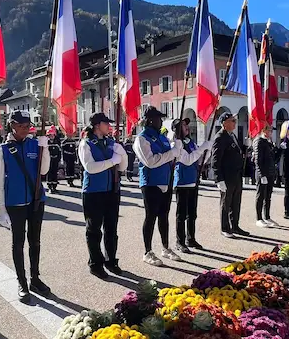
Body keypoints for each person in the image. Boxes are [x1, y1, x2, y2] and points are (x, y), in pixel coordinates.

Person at [0, 110, 51, 303]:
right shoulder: (2, 149)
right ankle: (22, 282)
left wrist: (46, 150)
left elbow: (43, 171)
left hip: (36, 200)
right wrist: (0, 210)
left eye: (28, 126)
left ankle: (35, 278)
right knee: (18, 243)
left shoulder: (35, 144)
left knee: (35, 241)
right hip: (15, 202)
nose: (26, 129)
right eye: (22, 126)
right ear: (12, 126)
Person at [78, 113, 128, 278]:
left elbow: (122, 168)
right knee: (94, 230)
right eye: (107, 124)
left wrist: (123, 155)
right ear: (98, 125)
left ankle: (111, 260)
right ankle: (95, 263)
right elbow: (90, 168)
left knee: (111, 229)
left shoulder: (110, 143)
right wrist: (114, 160)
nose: (109, 126)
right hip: (93, 192)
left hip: (112, 190)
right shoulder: (86, 143)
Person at [133, 106, 183, 266]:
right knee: (150, 217)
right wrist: (172, 153)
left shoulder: (161, 137)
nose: (161, 121)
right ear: (149, 120)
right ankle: (147, 251)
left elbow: (172, 154)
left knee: (164, 216)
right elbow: (151, 161)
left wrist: (177, 147)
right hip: (151, 182)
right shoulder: (142, 138)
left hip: (166, 180)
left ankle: (165, 247)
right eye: (158, 118)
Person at [172, 118, 212, 252]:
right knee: (181, 214)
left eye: (186, 125)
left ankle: (191, 238)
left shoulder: (191, 143)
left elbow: (199, 160)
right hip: (182, 182)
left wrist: (207, 152)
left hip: (193, 181)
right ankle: (180, 241)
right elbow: (188, 160)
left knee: (192, 213)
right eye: (183, 125)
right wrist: (202, 149)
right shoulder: (177, 144)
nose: (186, 127)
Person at [211, 112, 250, 238]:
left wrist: (245, 147)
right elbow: (215, 159)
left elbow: (236, 152)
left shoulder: (232, 135)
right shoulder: (220, 137)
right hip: (226, 176)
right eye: (232, 120)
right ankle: (225, 228)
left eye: (234, 120)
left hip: (236, 175)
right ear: (224, 123)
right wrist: (219, 179)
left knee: (236, 202)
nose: (235, 122)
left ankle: (235, 226)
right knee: (226, 203)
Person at [253, 124, 277, 227]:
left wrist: (279, 150)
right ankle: (259, 218)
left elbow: (274, 159)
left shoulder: (269, 142)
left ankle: (267, 216)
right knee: (261, 196)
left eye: (272, 130)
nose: (271, 132)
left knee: (268, 196)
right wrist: (261, 174)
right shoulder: (259, 141)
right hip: (262, 173)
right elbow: (258, 160)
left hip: (270, 172)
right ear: (264, 130)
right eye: (270, 130)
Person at [46, 127, 61, 193]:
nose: (52, 136)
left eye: (52, 135)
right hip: (49, 160)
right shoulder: (46, 143)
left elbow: (59, 152)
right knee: (49, 173)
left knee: (55, 173)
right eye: (50, 135)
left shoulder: (57, 143)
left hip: (55, 160)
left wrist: (58, 159)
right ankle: (50, 187)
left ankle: (54, 187)